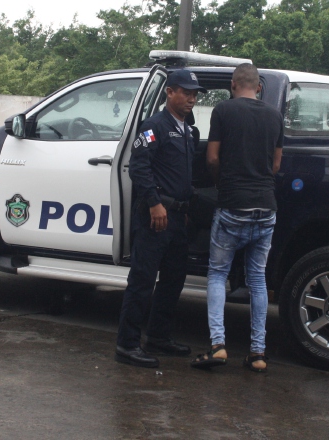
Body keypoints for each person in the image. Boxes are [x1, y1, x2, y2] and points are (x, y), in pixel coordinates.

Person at [190, 63, 284, 373]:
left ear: (233, 84)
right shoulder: (274, 116)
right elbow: (276, 164)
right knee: (257, 279)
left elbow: (213, 157)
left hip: (233, 205)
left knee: (218, 273)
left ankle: (218, 345)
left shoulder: (224, 111)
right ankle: (258, 353)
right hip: (266, 208)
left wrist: (222, 183)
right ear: (258, 87)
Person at [115, 69, 207, 368]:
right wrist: (154, 204)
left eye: (195, 93)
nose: (192, 98)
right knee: (142, 281)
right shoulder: (154, 126)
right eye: (186, 92)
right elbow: (139, 168)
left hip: (178, 217)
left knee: (173, 280)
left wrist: (188, 208)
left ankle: (158, 337)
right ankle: (127, 344)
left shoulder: (187, 130)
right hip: (155, 216)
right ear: (170, 92)